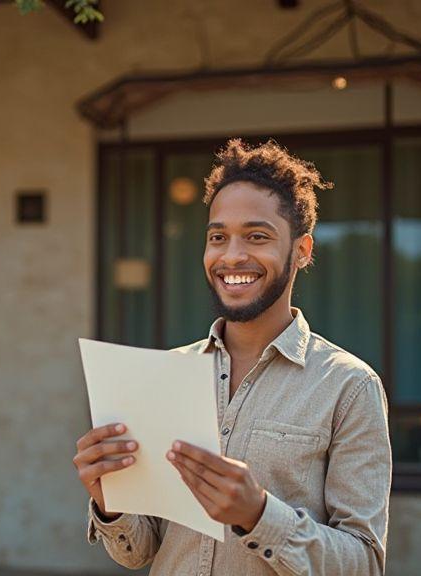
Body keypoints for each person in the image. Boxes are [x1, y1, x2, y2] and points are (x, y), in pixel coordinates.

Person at [72, 139, 391, 575]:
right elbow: (139, 551)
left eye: (257, 236)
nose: (232, 256)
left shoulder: (350, 388)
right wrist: (110, 503)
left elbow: (365, 564)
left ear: (302, 250)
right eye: (218, 237)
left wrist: (259, 514)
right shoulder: (165, 375)